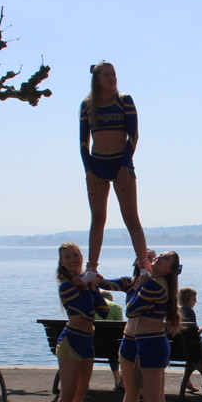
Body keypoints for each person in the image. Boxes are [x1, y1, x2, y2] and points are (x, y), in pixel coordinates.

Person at [99, 250, 182, 402]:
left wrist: (142, 284)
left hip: (150, 342)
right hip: (143, 342)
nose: (157, 260)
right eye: (156, 257)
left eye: (163, 259)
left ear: (169, 270)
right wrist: (94, 275)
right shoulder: (149, 282)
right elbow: (107, 285)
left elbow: (131, 310)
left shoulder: (154, 284)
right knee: (156, 401)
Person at [80, 61, 148, 279]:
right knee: (98, 218)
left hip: (121, 163)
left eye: (114, 74)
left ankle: (144, 265)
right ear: (97, 79)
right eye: (107, 75)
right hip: (97, 165)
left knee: (131, 217)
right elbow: (83, 142)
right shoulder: (87, 105)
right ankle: (92, 267)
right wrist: (89, 171)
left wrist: (125, 165)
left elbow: (134, 135)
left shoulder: (124, 100)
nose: (112, 78)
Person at [53, 242, 110, 402]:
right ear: (61, 262)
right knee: (66, 394)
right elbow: (86, 311)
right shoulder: (66, 286)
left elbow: (103, 312)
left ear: (81, 257)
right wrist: (87, 288)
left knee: (80, 393)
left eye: (75, 255)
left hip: (88, 342)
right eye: (67, 257)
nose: (72, 260)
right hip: (71, 342)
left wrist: (93, 286)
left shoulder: (85, 283)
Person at [178, 286, 202, 398]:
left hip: (175, 350)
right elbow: (196, 333)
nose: (196, 301)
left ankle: (188, 382)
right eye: (194, 298)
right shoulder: (189, 312)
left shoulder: (173, 310)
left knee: (187, 347)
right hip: (189, 350)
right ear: (188, 299)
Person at [98, 291, 125, 391]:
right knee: (113, 347)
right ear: (110, 299)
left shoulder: (91, 306)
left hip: (92, 346)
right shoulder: (116, 307)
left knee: (109, 345)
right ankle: (118, 379)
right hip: (112, 347)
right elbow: (120, 329)